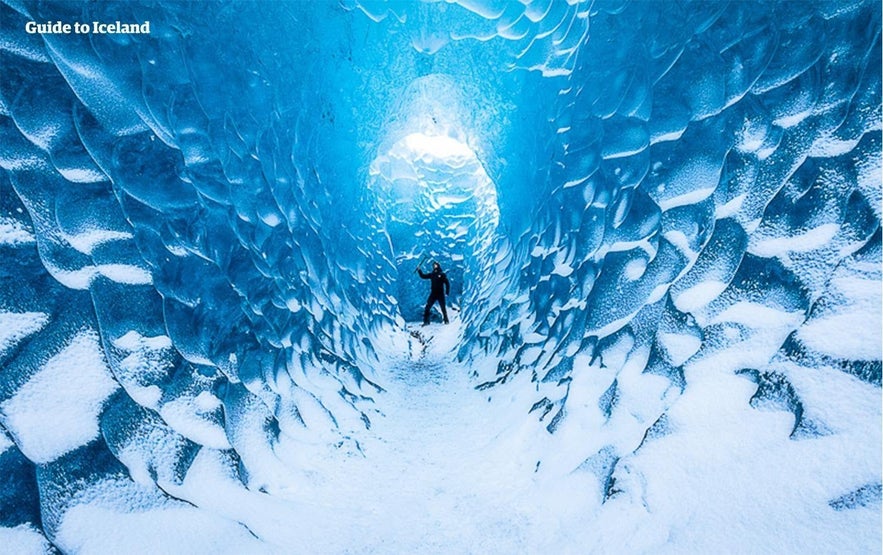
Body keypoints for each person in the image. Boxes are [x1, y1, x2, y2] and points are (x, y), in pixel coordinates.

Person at [416, 260, 450, 325]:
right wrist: (419, 270)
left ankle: (446, 321)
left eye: (436, 265)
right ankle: (426, 322)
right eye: (434, 265)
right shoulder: (432, 274)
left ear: (438, 266)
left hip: (440, 293)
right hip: (433, 293)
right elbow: (423, 276)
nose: (434, 266)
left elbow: (447, 283)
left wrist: (447, 292)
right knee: (427, 307)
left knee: (443, 308)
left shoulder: (442, 274)